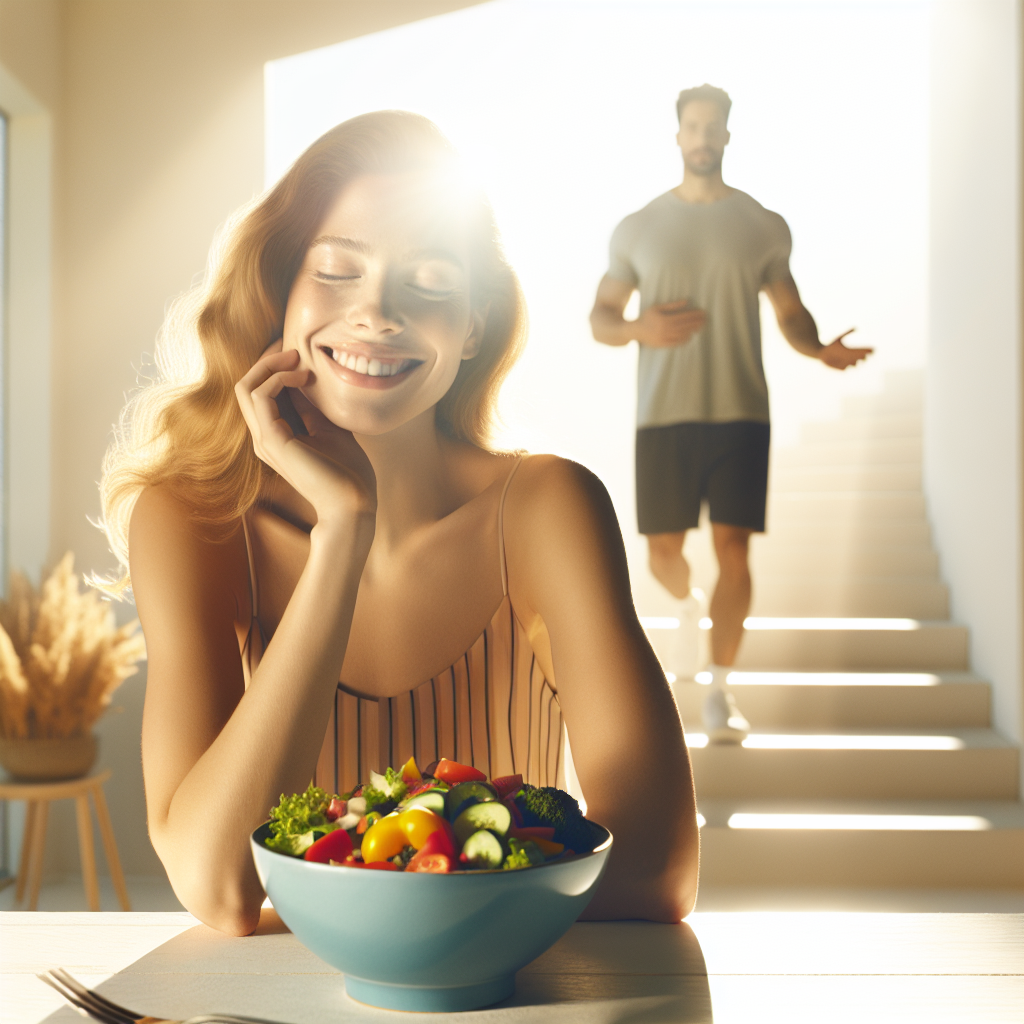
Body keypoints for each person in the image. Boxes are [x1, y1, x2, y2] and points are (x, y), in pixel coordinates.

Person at [96, 112, 699, 935]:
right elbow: (218, 888)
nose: (377, 313)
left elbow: (658, 872)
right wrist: (343, 532)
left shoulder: (546, 509)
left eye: (430, 282)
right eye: (338, 271)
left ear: (474, 326)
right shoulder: (191, 520)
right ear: (283, 294)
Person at [589, 85, 871, 743]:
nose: (703, 136)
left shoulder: (761, 225)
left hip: (741, 411)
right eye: (693, 125)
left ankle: (719, 689)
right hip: (663, 414)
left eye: (714, 126)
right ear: (679, 135)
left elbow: (789, 309)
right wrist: (636, 328)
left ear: (727, 136)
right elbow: (600, 318)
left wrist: (817, 346)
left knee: (734, 549)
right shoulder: (637, 227)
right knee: (663, 554)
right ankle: (687, 608)